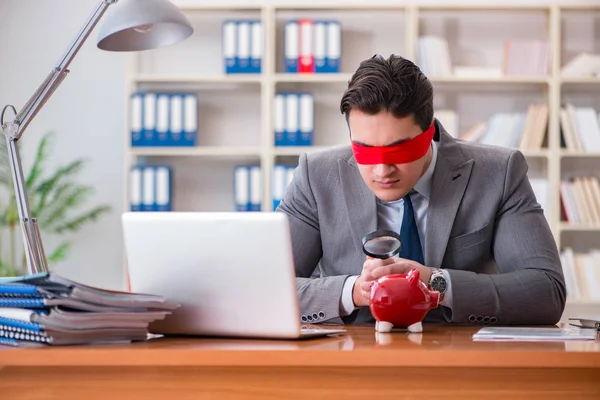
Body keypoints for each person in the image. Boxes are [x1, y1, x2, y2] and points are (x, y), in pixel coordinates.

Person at [277, 54, 566, 327]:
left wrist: (437, 282)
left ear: (430, 132)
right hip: (352, 361)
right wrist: (354, 291)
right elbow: (264, 286)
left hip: (463, 361)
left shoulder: (498, 173)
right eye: (365, 151)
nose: (382, 170)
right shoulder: (316, 176)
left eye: (399, 150)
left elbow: (546, 292)